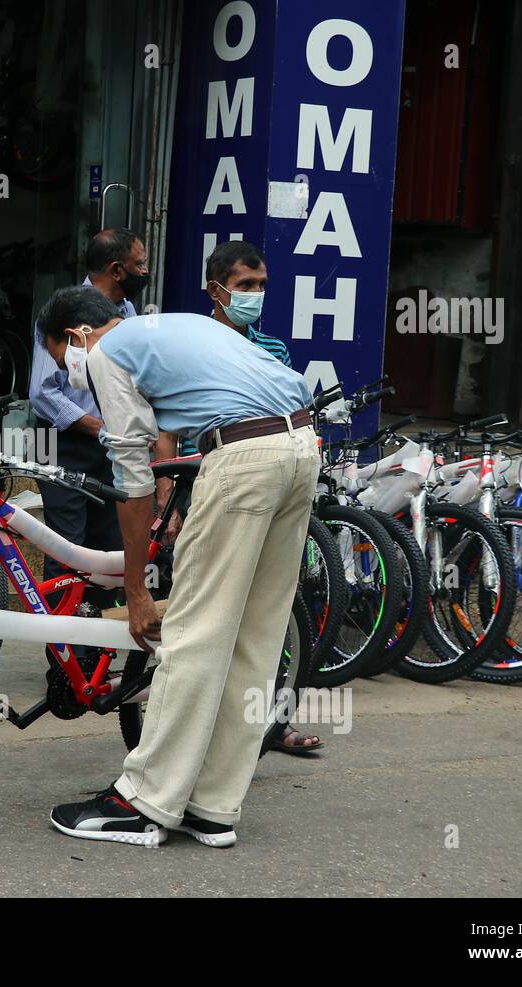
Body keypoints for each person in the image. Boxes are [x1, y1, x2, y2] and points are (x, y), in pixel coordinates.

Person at [38, 286, 317, 848]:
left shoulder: (103, 352)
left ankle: (143, 803)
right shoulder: (176, 326)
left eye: (56, 352)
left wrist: (136, 590)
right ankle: (212, 806)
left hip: (242, 456)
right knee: (252, 639)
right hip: (302, 446)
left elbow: (133, 477)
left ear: (75, 336)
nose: (68, 368)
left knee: (191, 634)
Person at [206, 240, 323, 757]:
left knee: (269, 616)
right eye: (244, 286)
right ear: (218, 290)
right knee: (209, 614)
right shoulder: (197, 342)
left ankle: (269, 723)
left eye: (261, 286)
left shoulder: (273, 349)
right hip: (209, 481)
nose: (254, 295)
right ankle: (203, 724)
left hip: (273, 484)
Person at [27, 229, 145, 589]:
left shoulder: (128, 313)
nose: (145, 271)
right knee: (67, 550)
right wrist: (99, 428)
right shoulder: (61, 311)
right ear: (116, 269)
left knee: (110, 547)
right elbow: (43, 393)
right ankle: (64, 645)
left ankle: (97, 641)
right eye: (139, 264)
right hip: (64, 443)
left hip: (111, 446)